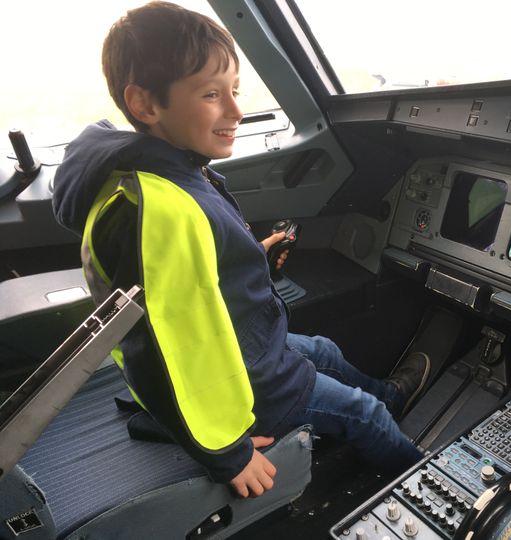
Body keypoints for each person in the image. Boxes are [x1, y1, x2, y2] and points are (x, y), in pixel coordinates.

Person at [51, 1, 430, 498]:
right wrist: (227, 452)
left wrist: (247, 258)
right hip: (253, 387)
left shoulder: (160, 173)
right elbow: (164, 347)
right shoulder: (163, 209)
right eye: (212, 94)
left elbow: (193, 279)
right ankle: (422, 478)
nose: (235, 110)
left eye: (234, 90)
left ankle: (393, 394)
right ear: (145, 105)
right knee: (365, 414)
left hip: (247, 348)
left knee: (324, 350)